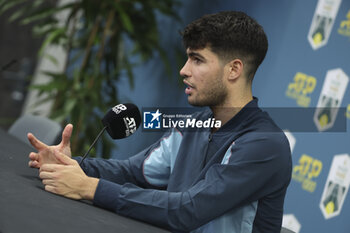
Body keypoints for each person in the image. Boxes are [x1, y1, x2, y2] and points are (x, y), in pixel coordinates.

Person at [28, 11, 292, 233]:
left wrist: (88, 187)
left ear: (234, 69)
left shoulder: (264, 144)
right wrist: (74, 165)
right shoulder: (195, 124)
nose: (184, 70)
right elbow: (133, 172)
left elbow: (188, 210)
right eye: (188, 57)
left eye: (197, 59)